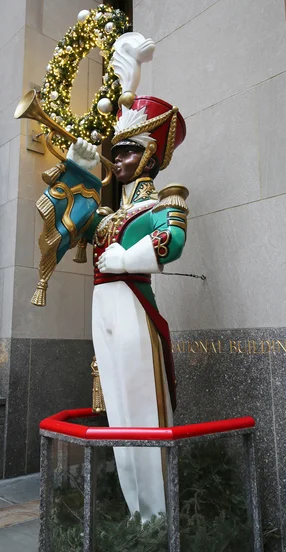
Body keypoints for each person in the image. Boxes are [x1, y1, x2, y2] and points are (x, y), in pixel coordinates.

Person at [66, 94, 188, 521]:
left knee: (142, 407)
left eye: (128, 151)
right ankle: (137, 513)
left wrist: (126, 258)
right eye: (115, 153)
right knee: (118, 412)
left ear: (150, 157)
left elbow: (172, 242)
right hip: (103, 311)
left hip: (134, 305)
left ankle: (159, 514)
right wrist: (73, 171)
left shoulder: (162, 203)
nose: (117, 161)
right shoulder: (104, 213)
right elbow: (63, 231)